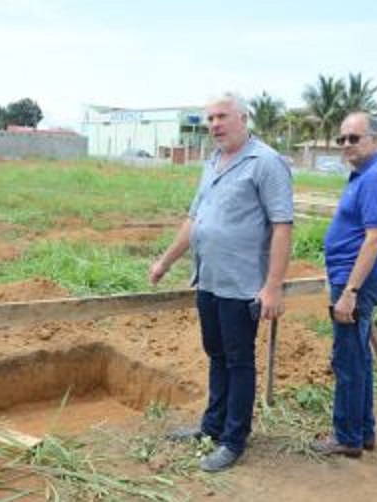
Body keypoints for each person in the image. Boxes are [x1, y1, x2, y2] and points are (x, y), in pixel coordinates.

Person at [149, 92, 293, 472]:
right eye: (210, 118)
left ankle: (233, 439)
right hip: (209, 281)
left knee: (239, 361)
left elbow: (282, 226)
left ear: (243, 118)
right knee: (216, 356)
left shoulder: (265, 162)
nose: (214, 124)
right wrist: (165, 261)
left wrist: (273, 286)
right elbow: (194, 220)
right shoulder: (212, 162)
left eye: (222, 116)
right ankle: (211, 427)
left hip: (242, 284)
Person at [310, 112, 377, 458]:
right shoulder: (364, 175)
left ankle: (347, 437)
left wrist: (350, 291)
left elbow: (374, 239)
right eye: (342, 139)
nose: (346, 144)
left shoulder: (375, 178)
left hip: (356, 281)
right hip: (354, 279)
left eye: (355, 137)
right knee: (358, 358)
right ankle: (363, 432)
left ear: (374, 140)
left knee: (346, 360)